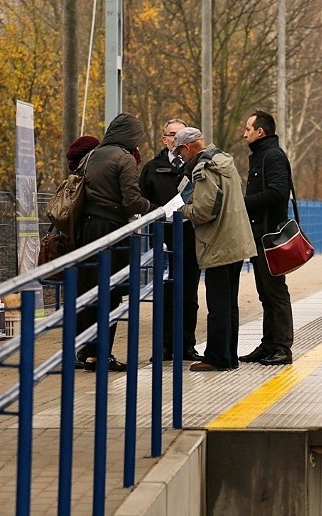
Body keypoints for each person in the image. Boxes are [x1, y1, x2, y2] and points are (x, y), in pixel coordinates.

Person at [75, 112, 156, 372]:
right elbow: (132, 201)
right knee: (110, 294)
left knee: (90, 292)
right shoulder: (124, 159)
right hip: (112, 232)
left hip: (87, 231)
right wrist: (154, 207)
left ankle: (87, 352)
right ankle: (101, 355)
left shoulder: (92, 155)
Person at [173, 127, 256, 371]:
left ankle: (217, 357)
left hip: (218, 243)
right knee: (229, 303)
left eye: (180, 152)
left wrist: (181, 210)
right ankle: (228, 355)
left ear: (188, 148)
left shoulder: (204, 169)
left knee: (218, 304)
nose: (181, 157)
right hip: (236, 241)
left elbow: (204, 210)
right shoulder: (223, 161)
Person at [139, 118, 202, 361]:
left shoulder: (196, 166)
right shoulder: (152, 168)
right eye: (171, 134)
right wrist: (159, 212)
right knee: (165, 293)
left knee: (189, 293)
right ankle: (164, 346)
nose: (175, 138)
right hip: (163, 240)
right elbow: (141, 201)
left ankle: (187, 344)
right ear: (164, 138)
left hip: (190, 237)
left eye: (180, 134)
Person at [240, 110, 294, 366]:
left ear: (260, 131)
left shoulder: (272, 156)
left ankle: (283, 348)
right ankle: (268, 345)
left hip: (270, 236)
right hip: (259, 234)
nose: (244, 134)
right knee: (265, 292)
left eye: (248, 129)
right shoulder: (261, 156)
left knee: (275, 292)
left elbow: (278, 192)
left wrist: (243, 204)